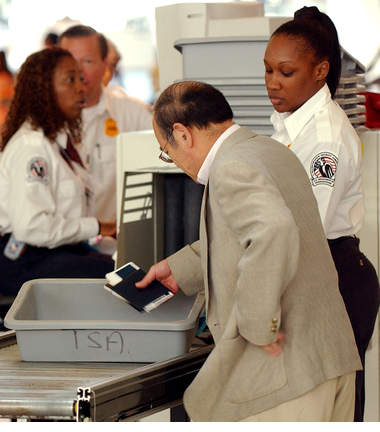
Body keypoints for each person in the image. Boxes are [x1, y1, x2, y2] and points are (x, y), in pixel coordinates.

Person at [137, 81, 361, 422]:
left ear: (182, 135)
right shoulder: (270, 150)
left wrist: (258, 325)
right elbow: (246, 234)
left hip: (285, 372)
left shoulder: (230, 166)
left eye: (166, 150)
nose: (173, 160)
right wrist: (180, 268)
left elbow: (273, 229)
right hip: (328, 360)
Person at [264, 6, 380, 421]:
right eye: (268, 71)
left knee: (336, 411)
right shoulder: (289, 122)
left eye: (285, 72)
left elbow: (303, 226)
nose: (273, 83)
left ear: (320, 70)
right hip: (314, 271)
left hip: (335, 274)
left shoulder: (324, 140)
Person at [0, 47, 115, 296]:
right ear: (43, 90)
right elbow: (32, 227)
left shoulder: (58, 142)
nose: (80, 87)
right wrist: (97, 227)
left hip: (55, 252)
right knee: (116, 276)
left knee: (124, 265)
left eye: (80, 79)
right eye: (70, 80)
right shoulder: (32, 148)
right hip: (27, 263)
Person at [57, 25, 153, 225]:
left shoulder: (132, 113)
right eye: (70, 62)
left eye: (87, 61)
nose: (78, 71)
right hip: (58, 247)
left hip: (114, 246)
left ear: (105, 65)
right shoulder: (43, 118)